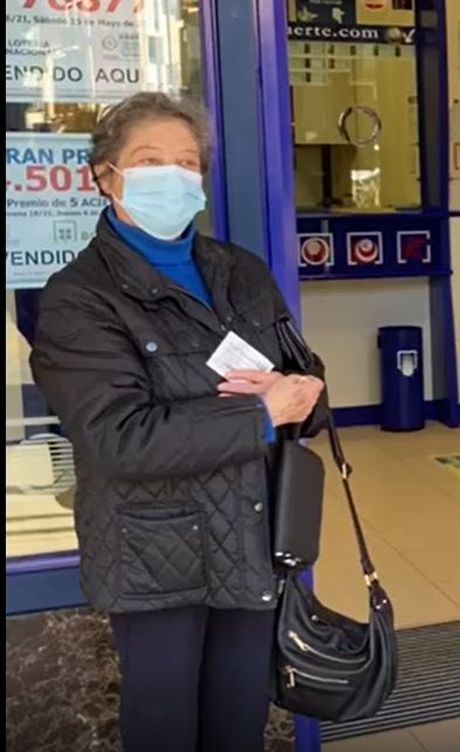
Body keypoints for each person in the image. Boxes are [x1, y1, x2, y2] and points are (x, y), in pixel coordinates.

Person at [28, 92, 326, 752]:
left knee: (239, 723)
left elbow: (305, 384)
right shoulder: (78, 299)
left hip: (250, 539)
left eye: (186, 163)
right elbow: (116, 439)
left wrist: (299, 395)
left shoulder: (240, 271)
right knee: (163, 725)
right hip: (152, 557)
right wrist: (261, 412)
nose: (172, 175)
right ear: (104, 175)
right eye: (149, 160)